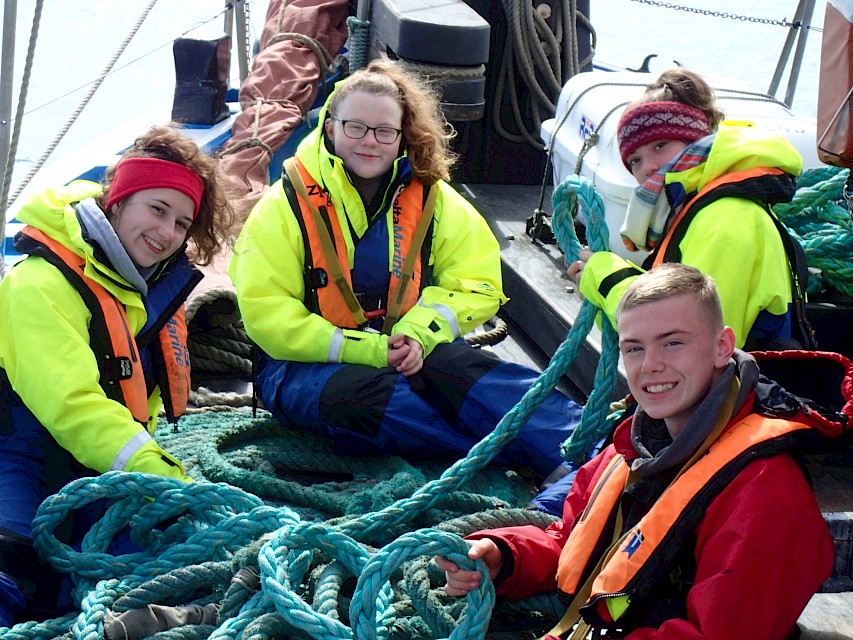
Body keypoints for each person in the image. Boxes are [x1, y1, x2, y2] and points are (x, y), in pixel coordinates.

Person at [436, 263, 839, 639]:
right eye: (634, 348)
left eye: (673, 343)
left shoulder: (767, 493)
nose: (650, 365)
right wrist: (504, 557)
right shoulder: (632, 448)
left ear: (722, 347)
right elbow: (571, 543)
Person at [229, 60, 583, 479]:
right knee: (369, 399)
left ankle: (584, 445)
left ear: (402, 136)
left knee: (463, 372)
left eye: (384, 131)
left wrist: (418, 333)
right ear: (329, 126)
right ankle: (516, 455)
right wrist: (373, 351)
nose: (369, 142)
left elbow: (477, 283)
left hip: (407, 346)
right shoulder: (281, 207)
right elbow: (267, 316)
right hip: (300, 368)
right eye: (355, 127)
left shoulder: (434, 200)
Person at [0, 125, 234, 626]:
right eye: (157, 209)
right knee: (10, 567)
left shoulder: (140, 286)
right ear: (119, 200)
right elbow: (73, 405)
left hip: (95, 466)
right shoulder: (39, 282)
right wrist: (165, 476)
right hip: (18, 459)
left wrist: (164, 495)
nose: (167, 232)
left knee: (166, 556)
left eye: (181, 223)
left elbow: (139, 403)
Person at [567, 68, 814, 352]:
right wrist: (600, 294)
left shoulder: (726, 218)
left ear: (696, 139)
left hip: (735, 393)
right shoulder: (693, 212)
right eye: (635, 160)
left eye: (660, 145)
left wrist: (607, 278)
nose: (647, 166)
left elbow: (693, 341)